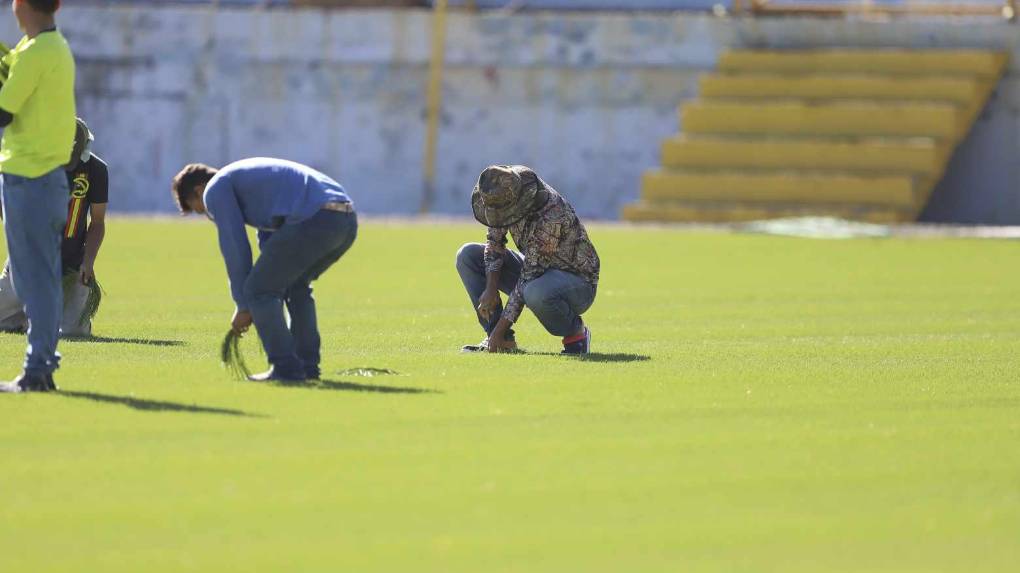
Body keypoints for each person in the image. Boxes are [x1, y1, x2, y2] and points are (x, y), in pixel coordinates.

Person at [171, 157, 357, 382]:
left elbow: (235, 246)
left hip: (313, 218)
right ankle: (307, 368)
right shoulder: (247, 180)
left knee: (258, 291)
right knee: (295, 286)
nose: (208, 215)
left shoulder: (215, 188)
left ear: (200, 190)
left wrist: (243, 304)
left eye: (201, 211)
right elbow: (270, 237)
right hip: (344, 220)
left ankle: (286, 368)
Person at [0, 0, 76, 393]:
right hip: (39, 179)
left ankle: (39, 368)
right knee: (37, 278)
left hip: (30, 178)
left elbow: (3, 111)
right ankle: (40, 366)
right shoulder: (44, 46)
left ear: (22, 6)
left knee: (33, 279)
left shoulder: (38, 52)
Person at [456, 165, 599, 354]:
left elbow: (527, 278)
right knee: (467, 255)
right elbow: (494, 242)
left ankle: (576, 333)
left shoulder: (551, 214)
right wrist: (490, 289)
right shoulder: (502, 193)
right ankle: (501, 342)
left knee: (534, 292)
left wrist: (500, 328)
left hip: (577, 282)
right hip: (537, 272)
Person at [0, 118, 108, 337]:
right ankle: (25, 314)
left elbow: (97, 222)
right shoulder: (31, 165)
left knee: (73, 332)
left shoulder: (96, 169)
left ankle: (50, 312)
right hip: (29, 260)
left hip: (71, 265)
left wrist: (88, 261)